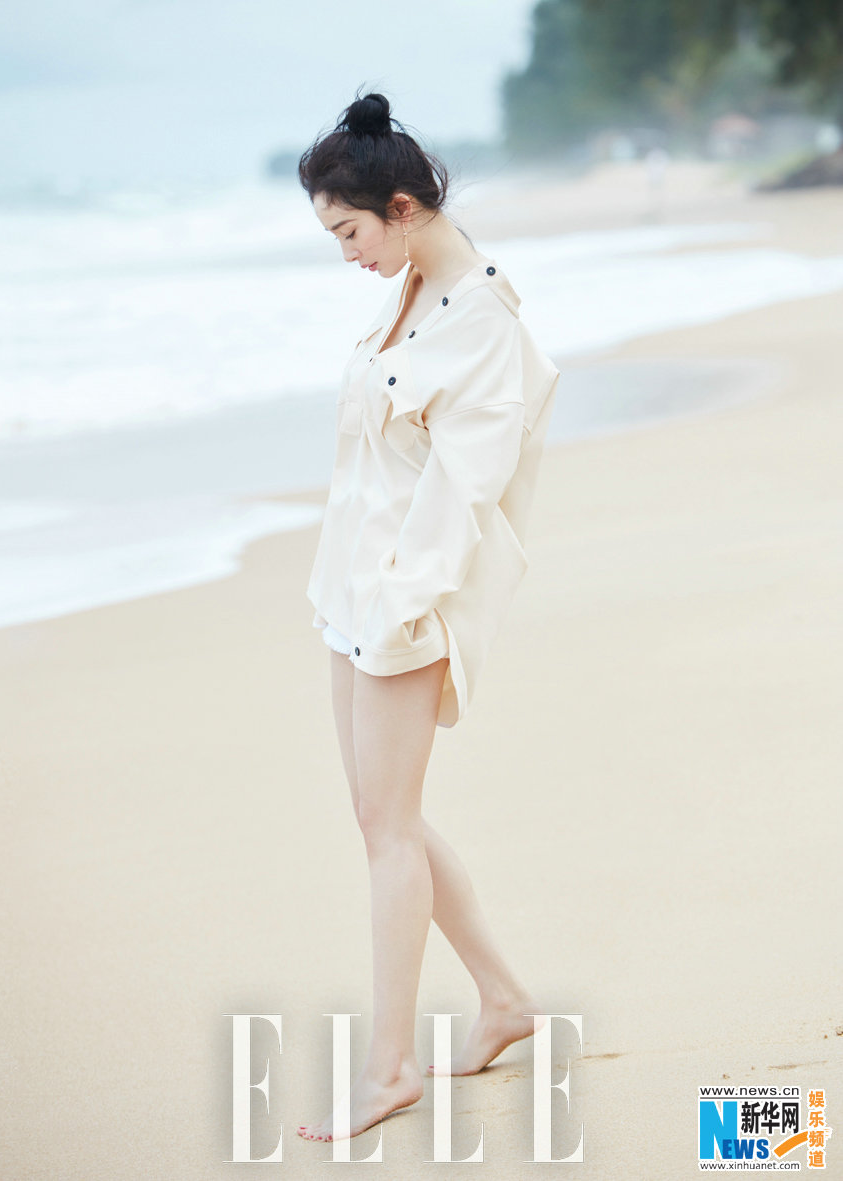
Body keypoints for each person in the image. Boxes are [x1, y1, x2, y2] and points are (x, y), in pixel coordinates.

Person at [295, 89, 560, 1143]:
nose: (347, 254)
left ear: (400, 208)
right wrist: (349, 597)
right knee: (383, 820)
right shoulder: (408, 285)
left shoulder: (482, 320)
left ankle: (391, 1065)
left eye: (349, 232)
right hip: (351, 589)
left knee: (389, 828)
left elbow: (464, 495)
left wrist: (403, 614)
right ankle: (504, 997)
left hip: (406, 601)